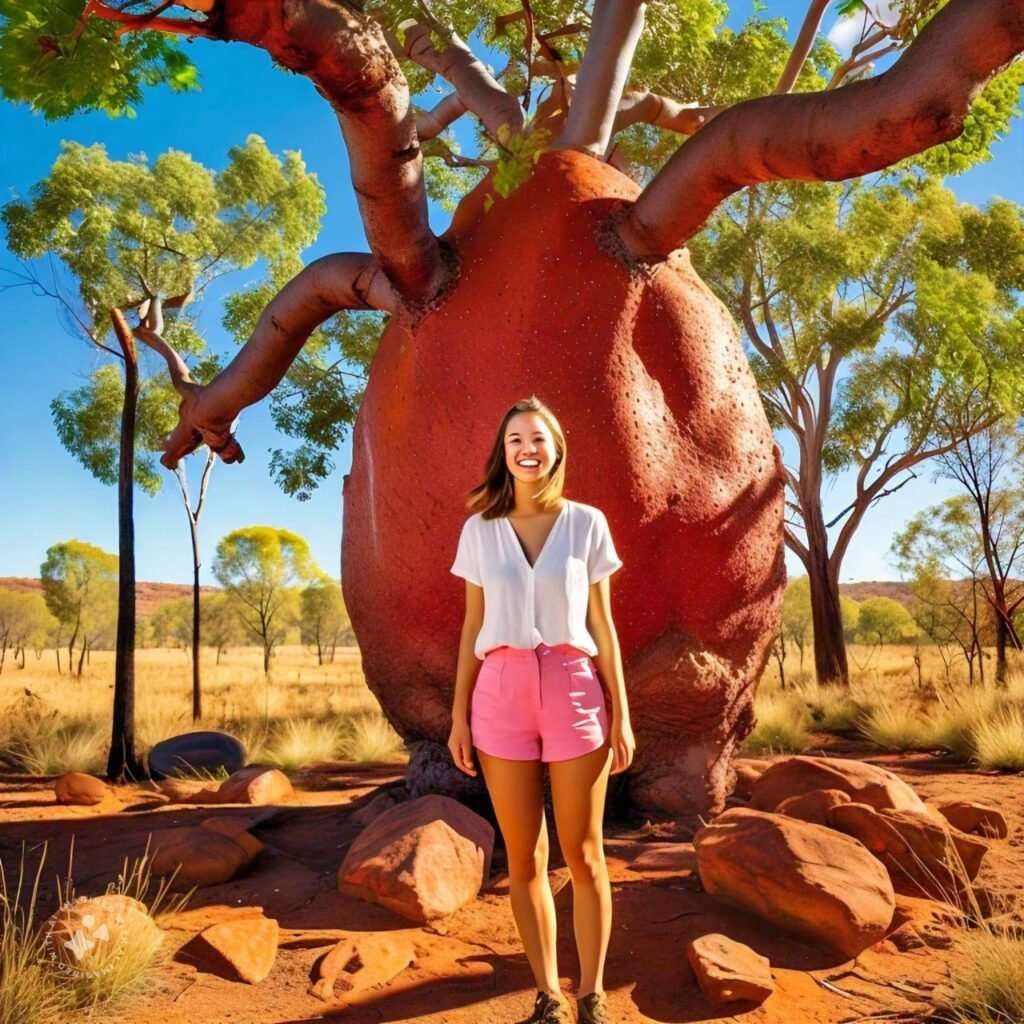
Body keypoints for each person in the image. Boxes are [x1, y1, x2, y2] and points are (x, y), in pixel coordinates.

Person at [447, 396, 636, 1024]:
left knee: (583, 854)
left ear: (557, 448)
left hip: (574, 687)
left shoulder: (587, 524)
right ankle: (549, 994)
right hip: (498, 692)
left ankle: (594, 996)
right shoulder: (479, 528)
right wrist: (457, 719)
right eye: (514, 442)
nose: (527, 451)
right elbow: (473, 624)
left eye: (538, 440)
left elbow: (602, 626)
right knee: (525, 856)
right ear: (503, 454)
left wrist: (623, 712)